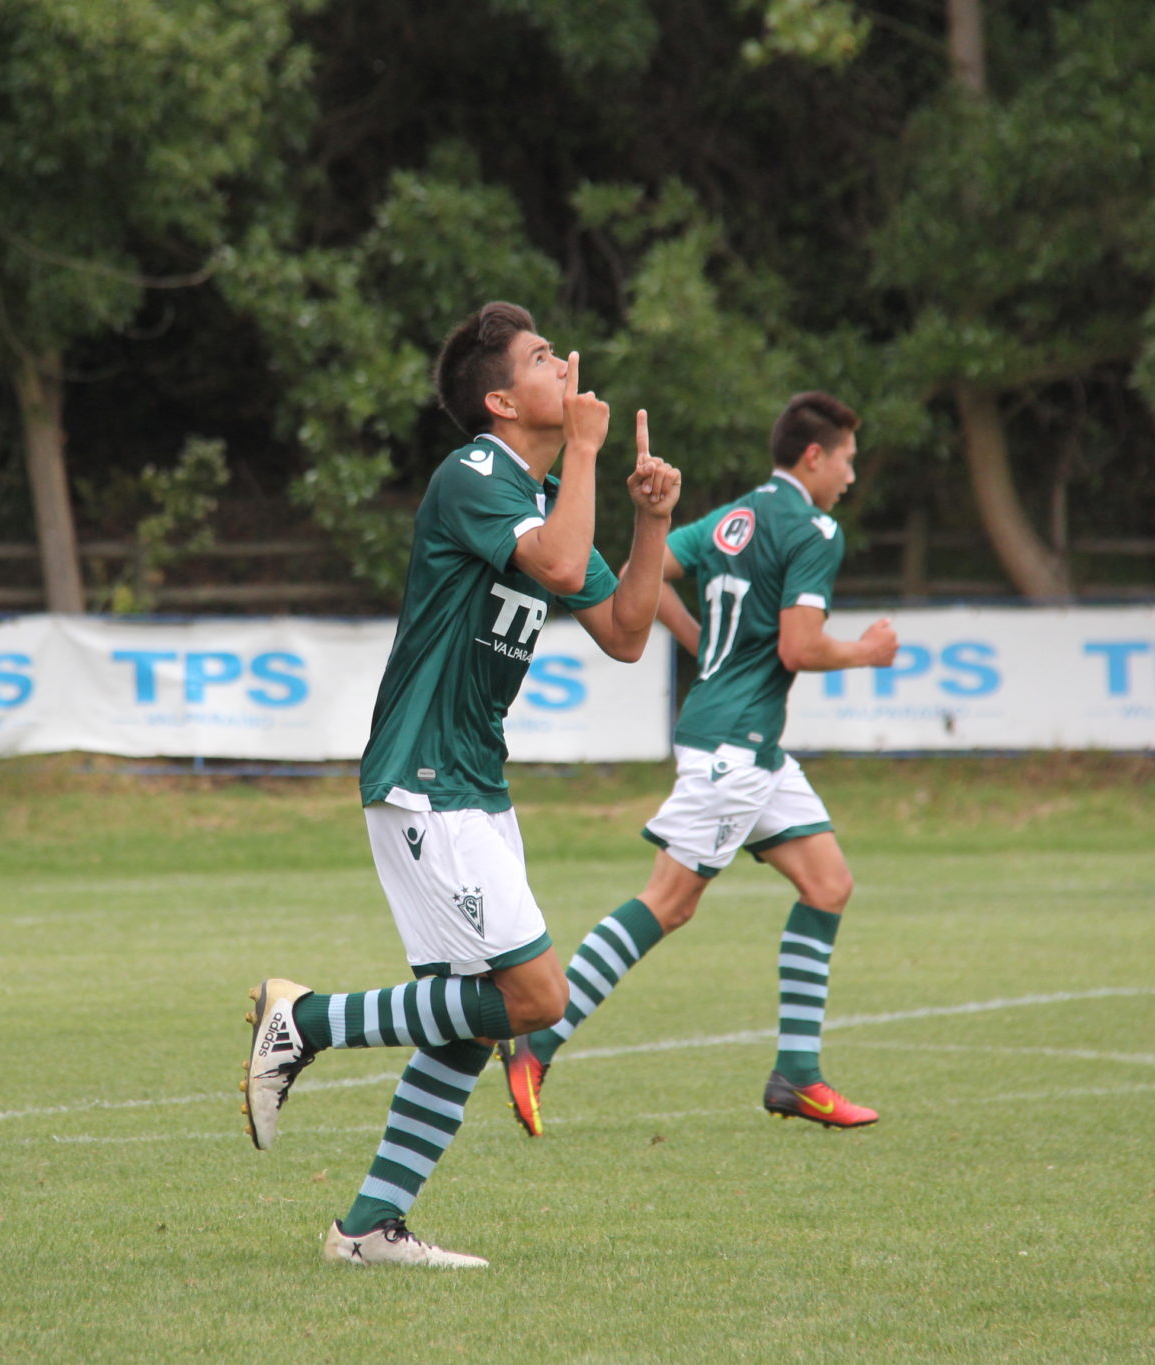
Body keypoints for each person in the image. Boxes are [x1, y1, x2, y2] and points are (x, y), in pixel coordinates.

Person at [240, 301, 682, 1268]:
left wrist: (653, 522)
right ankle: (305, 1019)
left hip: (475, 782)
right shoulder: (479, 472)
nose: (564, 365)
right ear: (499, 398)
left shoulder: (533, 494)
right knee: (534, 998)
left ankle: (366, 1231)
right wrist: (589, 454)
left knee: (464, 1021)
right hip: (427, 778)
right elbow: (563, 562)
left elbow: (626, 632)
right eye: (539, 359)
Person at [496, 390, 898, 1138]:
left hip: (747, 743)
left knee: (828, 882)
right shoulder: (814, 529)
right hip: (734, 746)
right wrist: (867, 654)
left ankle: (798, 1076)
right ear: (815, 456)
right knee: (669, 901)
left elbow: (635, 572)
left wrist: (702, 645)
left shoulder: (733, 517)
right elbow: (799, 648)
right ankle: (536, 1044)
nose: (849, 474)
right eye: (846, 458)